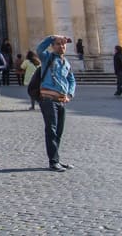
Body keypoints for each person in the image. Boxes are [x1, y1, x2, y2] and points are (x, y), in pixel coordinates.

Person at [35, 35, 77, 172]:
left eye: (63, 44)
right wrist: (51, 37)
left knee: (59, 130)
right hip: (48, 99)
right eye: (58, 44)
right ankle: (53, 162)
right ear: (53, 46)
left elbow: (71, 80)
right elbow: (39, 49)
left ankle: (56, 159)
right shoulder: (47, 57)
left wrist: (70, 94)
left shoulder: (66, 63)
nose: (61, 46)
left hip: (61, 101)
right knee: (51, 130)